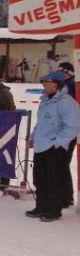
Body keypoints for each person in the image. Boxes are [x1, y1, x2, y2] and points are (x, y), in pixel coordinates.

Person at [26, 71, 80, 221]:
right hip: (41, 146)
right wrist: (32, 137)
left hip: (55, 148)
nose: (43, 85)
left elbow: (73, 126)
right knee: (39, 178)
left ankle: (54, 210)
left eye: (46, 82)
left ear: (55, 84)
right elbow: (40, 123)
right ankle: (41, 206)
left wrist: (58, 143)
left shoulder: (67, 102)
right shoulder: (44, 101)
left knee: (54, 180)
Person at [57, 62, 77, 208]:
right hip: (65, 130)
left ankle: (65, 196)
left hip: (68, 131)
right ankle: (64, 195)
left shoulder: (70, 86)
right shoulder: (67, 85)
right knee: (62, 163)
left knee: (62, 163)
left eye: (63, 72)